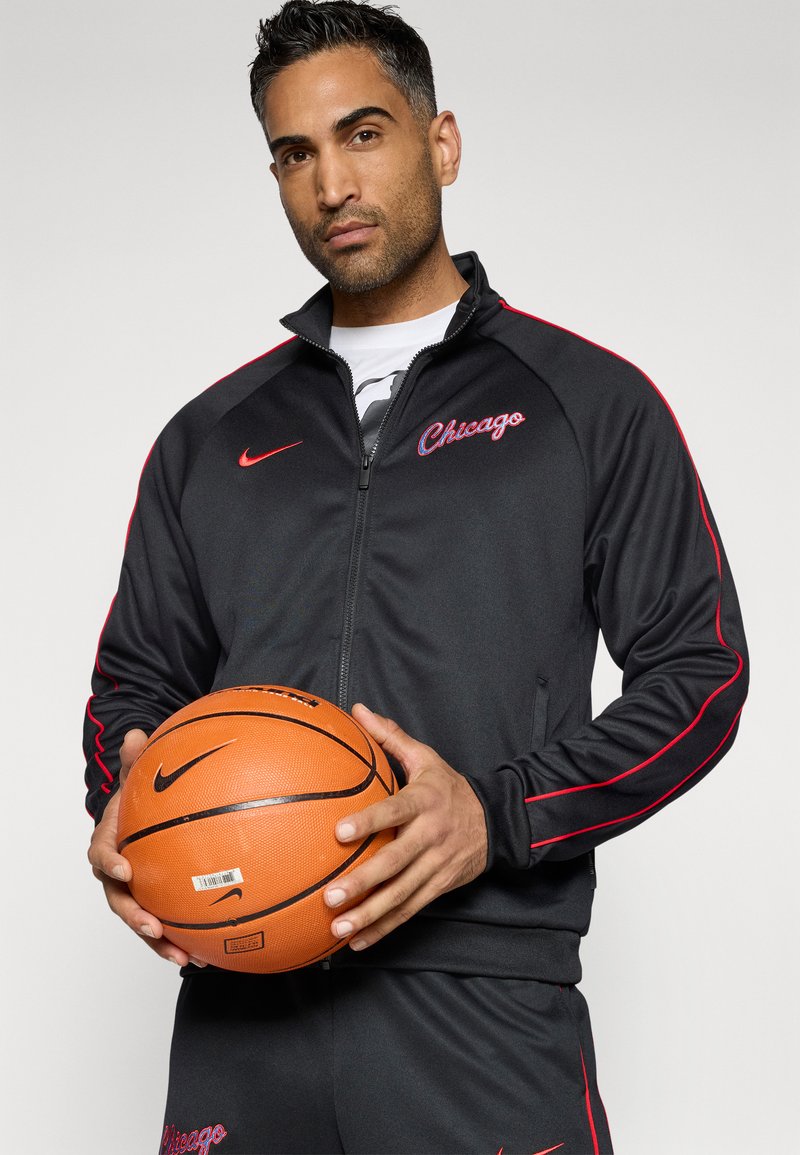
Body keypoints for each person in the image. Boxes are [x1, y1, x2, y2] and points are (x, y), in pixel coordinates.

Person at [84, 2, 749, 1152]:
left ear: (440, 143)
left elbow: (700, 676)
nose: (331, 184)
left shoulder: (586, 405)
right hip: (242, 1004)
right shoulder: (208, 436)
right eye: (294, 154)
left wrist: (497, 816)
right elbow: (130, 686)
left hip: (482, 1007)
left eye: (363, 134)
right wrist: (127, 804)